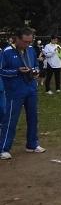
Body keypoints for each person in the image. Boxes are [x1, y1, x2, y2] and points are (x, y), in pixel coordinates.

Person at [0, 27, 46, 160]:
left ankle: (32, 144)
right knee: (11, 119)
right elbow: (1, 71)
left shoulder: (31, 50)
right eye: (25, 42)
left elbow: (35, 65)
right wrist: (17, 71)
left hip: (31, 88)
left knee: (33, 117)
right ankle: (4, 148)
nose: (28, 44)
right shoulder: (6, 52)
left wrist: (36, 71)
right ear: (17, 39)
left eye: (30, 41)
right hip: (15, 90)